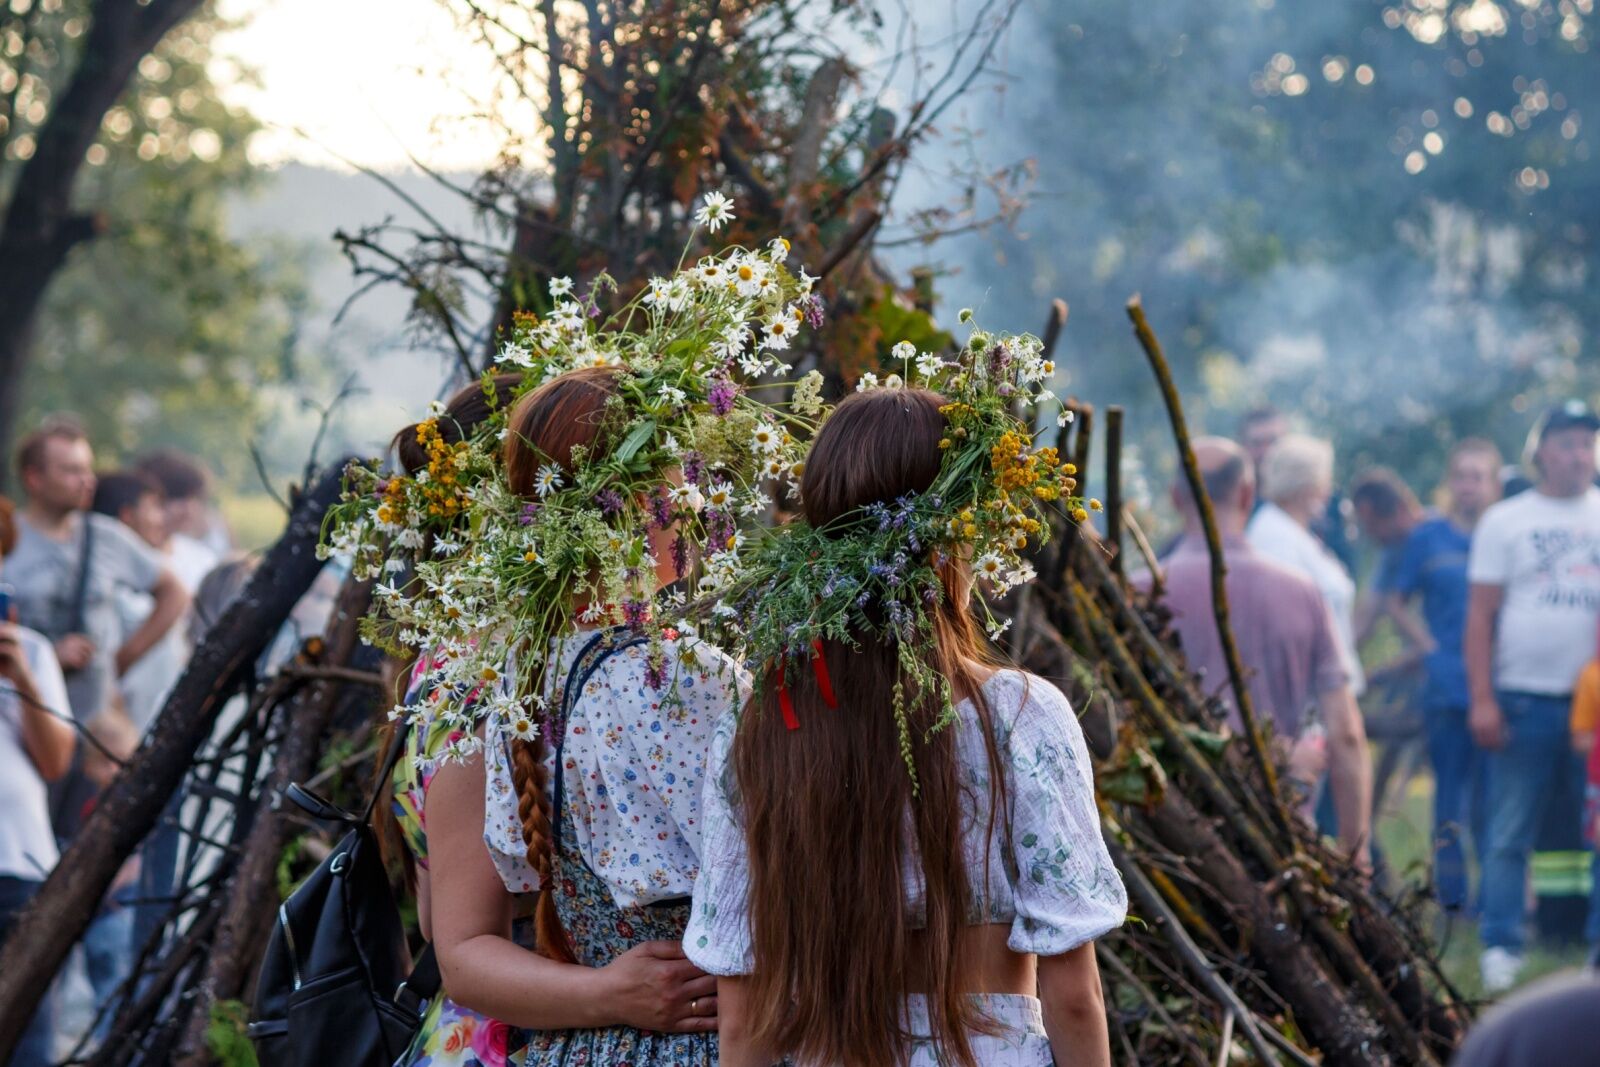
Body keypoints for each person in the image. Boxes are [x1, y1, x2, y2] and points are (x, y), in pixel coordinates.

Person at [689, 387, 1127, 1067]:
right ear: (953, 535)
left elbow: (744, 1020)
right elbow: (1074, 992)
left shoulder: (766, 725)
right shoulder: (1018, 715)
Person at [427, 368, 735, 1062]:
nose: (699, 496)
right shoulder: (676, 678)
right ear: (637, 501)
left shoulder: (517, 679)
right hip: (703, 1037)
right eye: (681, 475)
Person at [1143, 437, 1372, 861]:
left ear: (1176, 498)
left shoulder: (1143, 592)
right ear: (1248, 495)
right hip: (1282, 837)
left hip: (1169, 845)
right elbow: (1346, 734)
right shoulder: (1302, 592)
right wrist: (1357, 855)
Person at [1467, 400, 1600, 992]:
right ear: (1542, 451)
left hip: (1594, 705)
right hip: (1523, 699)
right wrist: (1482, 698)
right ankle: (1501, 943)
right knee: (1509, 829)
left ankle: (1589, 944)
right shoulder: (1506, 521)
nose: (1581, 454)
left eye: (1588, 443)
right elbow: (1480, 617)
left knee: (1592, 829)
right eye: (1569, 443)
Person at [1381, 440, 1501, 913]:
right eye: (1461, 476)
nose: (1468, 485)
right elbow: (1395, 601)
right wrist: (1427, 647)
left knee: (1493, 802)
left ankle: (1493, 901)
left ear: (1493, 484)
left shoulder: (1502, 534)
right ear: (1451, 483)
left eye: (1478, 476)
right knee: (1449, 797)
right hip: (1446, 686)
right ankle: (1454, 903)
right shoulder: (1427, 539)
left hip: (1497, 684)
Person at [7, 418, 189, 728]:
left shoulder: (108, 537)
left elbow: (174, 591)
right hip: (23, 726)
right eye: (71, 471)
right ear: (34, 478)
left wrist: (124, 657)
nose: (86, 480)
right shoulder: (6, 537)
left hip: (96, 732)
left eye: (87, 469)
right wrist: (48, 656)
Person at [0, 496, 77, 1067]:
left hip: (17, 864)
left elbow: (55, 764)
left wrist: (21, 676)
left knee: (29, 1040)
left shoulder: (29, 651)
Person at [1248, 433, 1365, 698]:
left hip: (1327, 691)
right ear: (1307, 484)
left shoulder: (1295, 532)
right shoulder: (1273, 536)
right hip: (1307, 697)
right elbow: (1286, 626)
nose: (1328, 490)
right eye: (1325, 479)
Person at [1349, 467, 1432, 650]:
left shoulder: (1441, 532)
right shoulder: (1393, 553)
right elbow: (1366, 616)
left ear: (1400, 509)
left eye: (1373, 524)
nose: (1370, 534)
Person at [134, 449, 228, 577]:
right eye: (179, 497)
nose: (190, 509)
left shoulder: (204, 559)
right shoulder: (130, 560)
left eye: (194, 497)